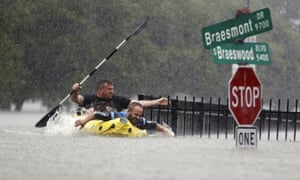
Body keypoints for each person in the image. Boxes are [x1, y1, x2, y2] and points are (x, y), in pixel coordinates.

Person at [75, 102, 173, 136]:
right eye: (135, 114)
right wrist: (83, 122)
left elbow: (155, 125)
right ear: (129, 112)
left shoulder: (140, 121)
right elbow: (96, 114)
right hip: (104, 125)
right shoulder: (117, 116)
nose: (137, 117)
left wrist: (167, 133)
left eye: (140, 115)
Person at [71, 79, 169, 112]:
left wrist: (157, 101)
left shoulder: (118, 100)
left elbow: (137, 103)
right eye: (109, 89)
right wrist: (75, 91)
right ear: (101, 90)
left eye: (113, 89)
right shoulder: (89, 98)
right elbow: (76, 99)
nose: (112, 92)